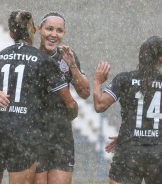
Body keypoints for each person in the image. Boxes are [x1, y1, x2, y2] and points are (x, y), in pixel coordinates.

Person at [0, 10, 78, 184]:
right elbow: (69, 103)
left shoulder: (0, 56)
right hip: (23, 130)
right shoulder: (43, 60)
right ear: (35, 30)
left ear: (11, 34)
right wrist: (70, 113)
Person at [93, 36, 162, 184]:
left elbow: (100, 105)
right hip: (159, 155)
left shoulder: (125, 79)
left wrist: (97, 81)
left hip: (129, 153)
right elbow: (160, 125)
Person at [34, 12, 90, 184]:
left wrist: (72, 64)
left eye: (59, 30)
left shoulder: (67, 57)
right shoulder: (30, 57)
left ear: (64, 34)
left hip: (61, 134)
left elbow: (85, 92)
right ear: (39, 30)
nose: (53, 34)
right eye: (49, 29)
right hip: (33, 133)